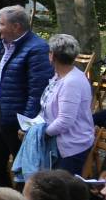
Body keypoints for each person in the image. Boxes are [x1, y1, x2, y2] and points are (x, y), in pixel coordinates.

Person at [0, 5, 53, 188]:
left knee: (22, 171)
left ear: (16, 27)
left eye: (1, 23)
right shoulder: (2, 45)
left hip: (17, 121)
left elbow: (37, 91)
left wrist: (26, 124)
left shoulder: (37, 48)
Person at [38, 34, 96, 174]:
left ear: (52, 56)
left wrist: (39, 134)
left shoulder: (72, 82)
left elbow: (65, 121)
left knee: (62, 192)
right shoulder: (59, 76)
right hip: (59, 143)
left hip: (71, 147)